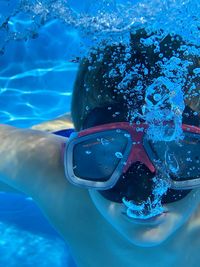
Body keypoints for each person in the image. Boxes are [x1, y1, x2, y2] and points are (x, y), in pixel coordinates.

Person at [0, 29, 199, 267]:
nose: (140, 196)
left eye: (174, 154)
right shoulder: (56, 177)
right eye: (105, 158)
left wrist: (105, 152)